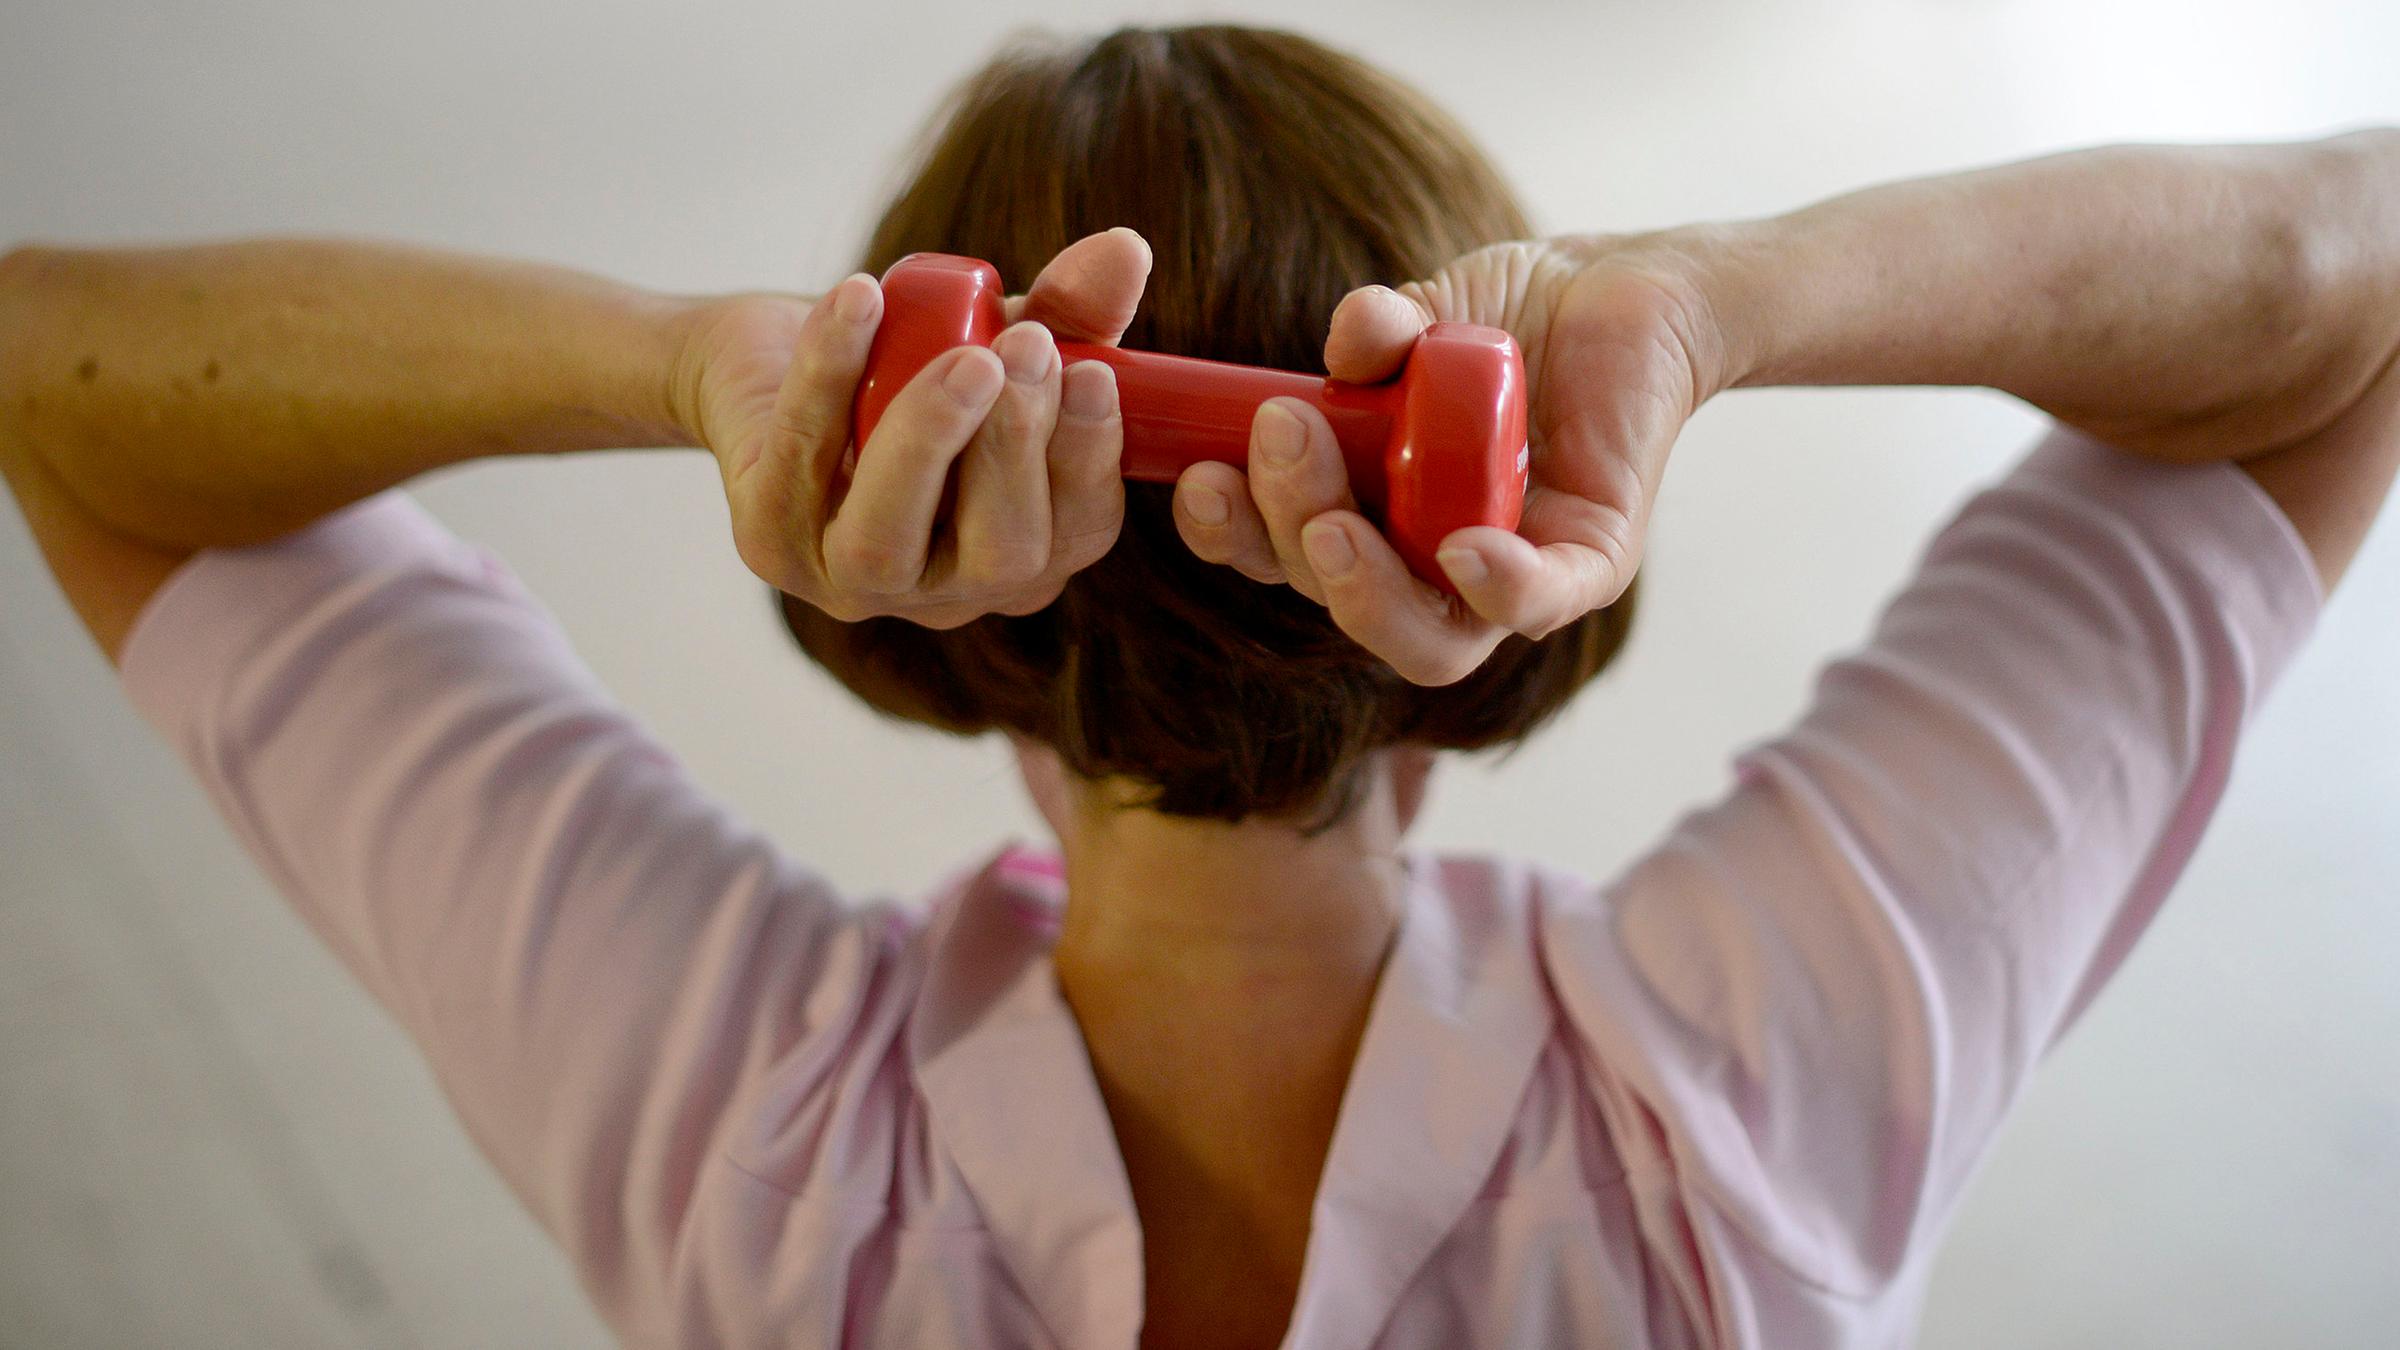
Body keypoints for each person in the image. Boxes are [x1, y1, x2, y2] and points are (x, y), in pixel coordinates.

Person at [2, 22, 2392, 1350]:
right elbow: (2353, 279)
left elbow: (60, 377)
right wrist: (1720, 303)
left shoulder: (750, 1128)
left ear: (939, 592)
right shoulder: (1744, 1104)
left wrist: (695, 366)